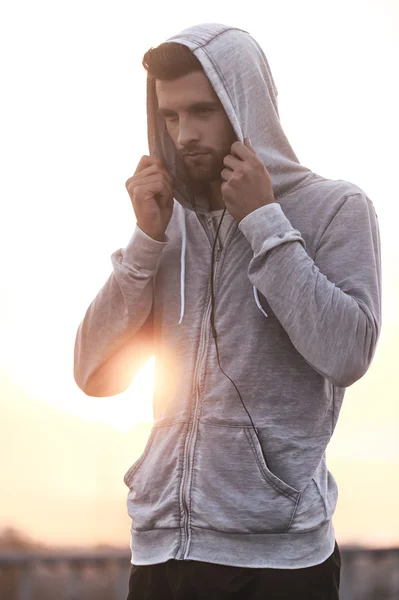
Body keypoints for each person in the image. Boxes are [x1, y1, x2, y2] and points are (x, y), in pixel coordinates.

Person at [73, 23, 382, 600]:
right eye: (170, 117)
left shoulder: (336, 209)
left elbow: (347, 354)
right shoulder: (165, 225)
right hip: (162, 551)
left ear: (245, 106)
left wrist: (264, 222)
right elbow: (92, 374)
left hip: (279, 563)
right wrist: (145, 240)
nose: (184, 134)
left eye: (202, 111)